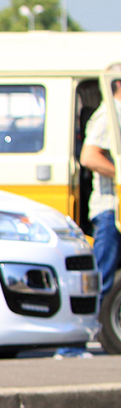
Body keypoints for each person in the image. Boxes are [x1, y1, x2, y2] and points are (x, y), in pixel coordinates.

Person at [80, 78, 121, 298]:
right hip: (110, 208)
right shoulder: (109, 115)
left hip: (115, 206)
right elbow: (89, 157)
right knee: (103, 279)